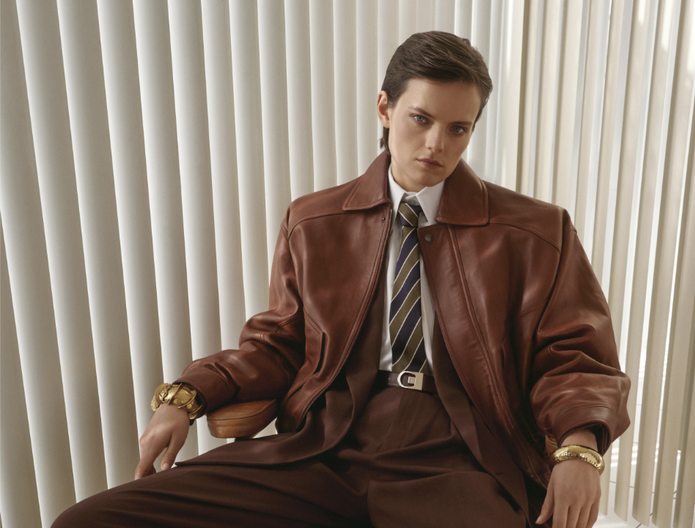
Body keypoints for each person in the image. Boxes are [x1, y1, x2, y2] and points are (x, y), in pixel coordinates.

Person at [54, 31, 630, 528]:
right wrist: (187, 395)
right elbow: (277, 344)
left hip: (462, 453)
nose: (437, 144)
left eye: (458, 128)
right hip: (326, 443)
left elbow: (576, 358)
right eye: (421, 119)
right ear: (384, 108)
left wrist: (580, 448)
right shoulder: (314, 222)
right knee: (91, 520)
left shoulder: (535, 231)